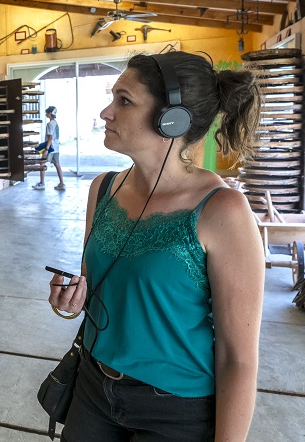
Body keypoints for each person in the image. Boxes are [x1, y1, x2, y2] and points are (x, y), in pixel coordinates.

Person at [48, 51, 265, 441]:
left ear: (172, 120)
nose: (105, 113)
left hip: (176, 408)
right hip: (94, 388)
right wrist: (71, 301)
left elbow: (239, 359)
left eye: (124, 100)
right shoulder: (103, 189)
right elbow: (96, 287)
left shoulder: (222, 211)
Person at [33, 106, 65, 191]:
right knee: (57, 164)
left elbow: (50, 137)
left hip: (50, 147)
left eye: (47, 112)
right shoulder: (55, 123)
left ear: (50, 113)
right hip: (56, 147)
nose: (46, 114)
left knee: (42, 164)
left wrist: (46, 149)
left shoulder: (49, 124)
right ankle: (62, 184)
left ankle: (42, 183)